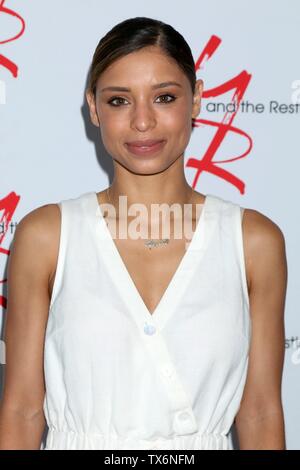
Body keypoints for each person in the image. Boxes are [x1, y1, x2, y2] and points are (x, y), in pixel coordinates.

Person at [0, 17, 287, 450]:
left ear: (197, 100)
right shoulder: (46, 236)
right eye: (119, 101)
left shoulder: (254, 242)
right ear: (94, 108)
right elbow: (22, 408)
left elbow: (261, 412)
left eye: (165, 97)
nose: (142, 122)